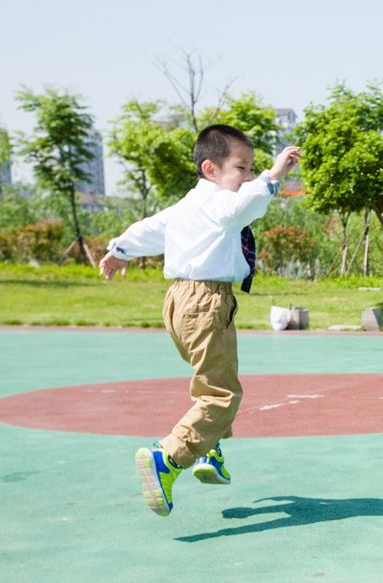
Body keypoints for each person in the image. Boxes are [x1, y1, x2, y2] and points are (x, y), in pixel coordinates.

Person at [98, 124, 301, 516]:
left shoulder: (188, 205)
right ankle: (169, 457)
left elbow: (151, 229)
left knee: (212, 380)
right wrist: (272, 177)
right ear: (211, 169)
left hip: (178, 302)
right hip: (206, 301)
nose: (246, 176)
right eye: (240, 168)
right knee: (221, 395)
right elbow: (243, 208)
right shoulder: (220, 203)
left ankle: (211, 451)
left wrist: (120, 249)